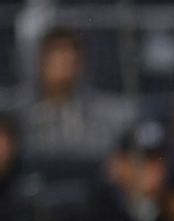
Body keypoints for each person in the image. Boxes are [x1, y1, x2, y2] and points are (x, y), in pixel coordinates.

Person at [20, 27, 133, 155]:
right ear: (40, 61)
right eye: (56, 52)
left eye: (71, 54)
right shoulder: (18, 113)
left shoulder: (110, 113)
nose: (65, 60)